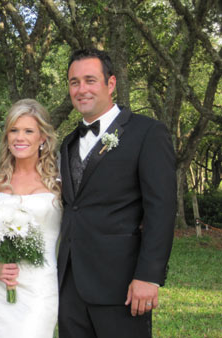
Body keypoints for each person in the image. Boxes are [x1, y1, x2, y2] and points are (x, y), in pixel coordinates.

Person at [57, 48, 177, 338]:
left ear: (110, 84)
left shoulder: (147, 133)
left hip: (122, 286)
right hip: (70, 286)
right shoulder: (68, 143)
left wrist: (148, 276)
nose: (81, 89)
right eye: (74, 82)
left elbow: (161, 209)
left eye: (90, 80)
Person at [0, 99, 62, 338]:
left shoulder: (58, 185)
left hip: (41, 289)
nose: (19, 137)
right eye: (14, 130)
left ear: (42, 138)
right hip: (1, 289)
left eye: (28, 131)